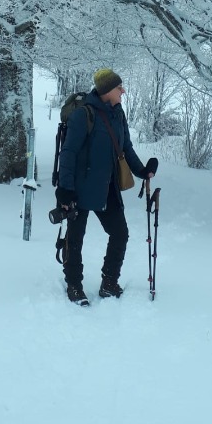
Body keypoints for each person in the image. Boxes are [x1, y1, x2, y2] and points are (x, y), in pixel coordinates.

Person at [55, 68, 158, 305]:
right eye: (118, 87)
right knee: (75, 238)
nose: (123, 91)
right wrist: (65, 189)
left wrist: (142, 171)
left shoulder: (118, 114)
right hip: (79, 188)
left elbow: (126, 148)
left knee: (120, 233)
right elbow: (68, 153)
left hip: (107, 186)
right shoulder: (83, 115)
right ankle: (74, 285)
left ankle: (109, 282)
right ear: (106, 91)